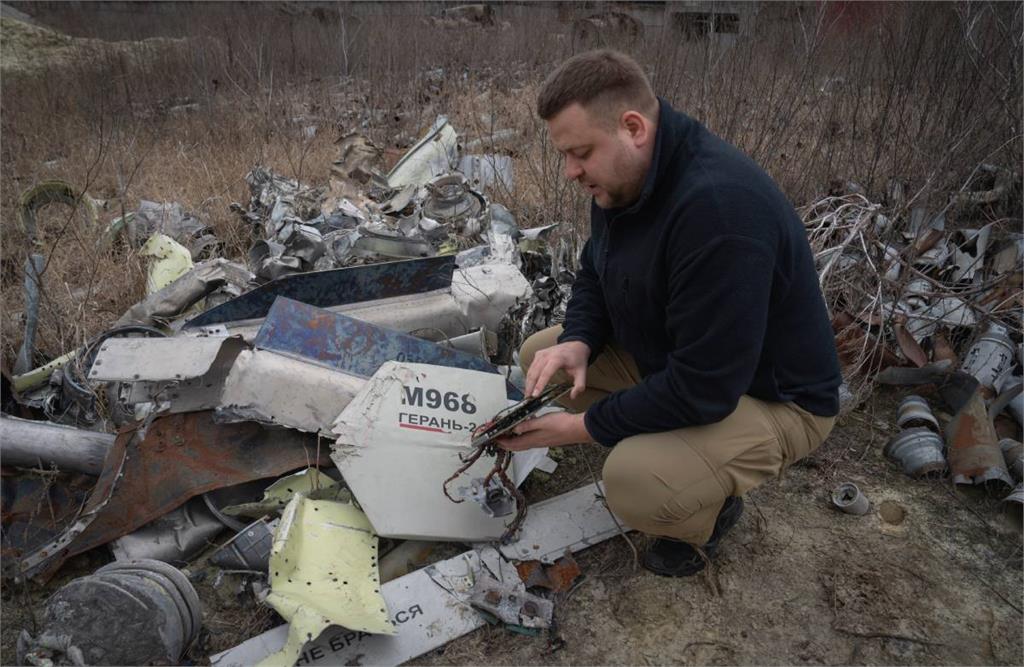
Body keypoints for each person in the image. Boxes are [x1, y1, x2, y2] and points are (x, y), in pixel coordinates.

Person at [495, 50, 842, 577]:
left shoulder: (720, 213)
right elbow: (595, 268)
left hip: (772, 395)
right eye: (565, 155)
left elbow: (703, 387)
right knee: (545, 357)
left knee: (634, 479)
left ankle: (705, 511)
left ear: (633, 126)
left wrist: (578, 427)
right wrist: (581, 339)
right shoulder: (623, 176)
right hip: (681, 356)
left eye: (579, 152)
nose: (570, 172)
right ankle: (668, 439)